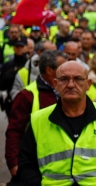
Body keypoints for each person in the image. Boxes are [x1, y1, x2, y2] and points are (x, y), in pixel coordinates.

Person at [4, 49, 63, 177]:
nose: (69, 71)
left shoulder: (70, 91)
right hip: (41, 165)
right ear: (49, 70)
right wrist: (14, 163)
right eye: (62, 67)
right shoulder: (27, 96)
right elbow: (15, 131)